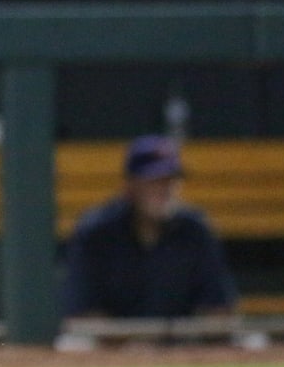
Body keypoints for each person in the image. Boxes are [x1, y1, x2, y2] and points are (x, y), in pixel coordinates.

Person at [59, 134, 239, 320]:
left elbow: (219, 309)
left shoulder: (195, 230)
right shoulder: (96, 232)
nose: (165, 189)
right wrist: (126, 346)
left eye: (170, 180)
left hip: (182, 345)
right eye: (154, 181)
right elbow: (82, 312)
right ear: (130, 185)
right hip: (111, 346)